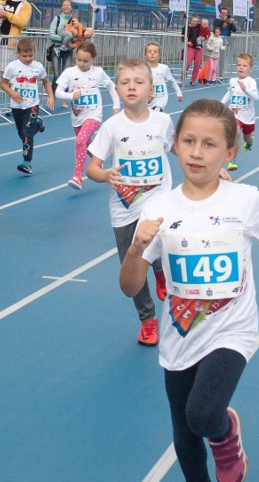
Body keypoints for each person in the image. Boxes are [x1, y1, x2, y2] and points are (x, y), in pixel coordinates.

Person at [118, 98, 259, 482]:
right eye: (188, 141)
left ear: (229, 153)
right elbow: (129, 287)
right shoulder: (157, 209)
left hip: (232, 330)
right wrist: (134, 248)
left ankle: (224, 432)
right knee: (182, 428)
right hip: (179, 334)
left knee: (203, 415)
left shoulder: (246, 200)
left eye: (209, 144)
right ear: (175, 146)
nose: (197, 152)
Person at [86, 59, 174, 346]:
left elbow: (181, 149)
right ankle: (148, 319)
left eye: (139, 82)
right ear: (117, 89)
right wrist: (105, 175)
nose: (132, 87)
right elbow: (93, 168)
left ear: (151, 90)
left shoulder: (163, 121)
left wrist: (213, 168)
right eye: (125, 82)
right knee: (132, 267)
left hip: (158, 202)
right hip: (123, 208)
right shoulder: (112, 127)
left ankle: (159, 270)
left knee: (158, 248)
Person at [55, 41, 119, 190]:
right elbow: (58, 92)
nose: (82, 64)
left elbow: (111, 87)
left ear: (93, 59)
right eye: (79, 60)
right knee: (86, 144)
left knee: (79, 141)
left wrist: (116, 106)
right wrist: (71, 95)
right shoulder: (69, 73)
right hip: (77, 116)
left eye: (86, 61)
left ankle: (77, 176)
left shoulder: (98, 72)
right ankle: (98, 161)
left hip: (94, 114)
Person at [0, 37, 56, 174]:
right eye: (24, 56)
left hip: (32, 105)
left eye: (30, 55)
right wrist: (12, 93)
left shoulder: (38, 67)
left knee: (26, 133)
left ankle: (27, 162)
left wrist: (51, 96)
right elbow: (3, 83)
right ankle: (38, 124)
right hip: (17, 106)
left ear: (34, 53)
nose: (27, 58)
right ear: (18, 53)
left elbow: (46, 82)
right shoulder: (12, 67)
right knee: (22, 133)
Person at [0, 0, 30, 112]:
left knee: (7, 74)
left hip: (8, 43)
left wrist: (6, 14)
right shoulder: (2, 1)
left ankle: (10, 104)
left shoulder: (26, 5)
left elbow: (22, 22)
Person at [220, 53, 259, 170]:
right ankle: (232, 161)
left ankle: (250, 141)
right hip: (235, 115)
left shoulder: (251, 82)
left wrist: (245, 89)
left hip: (248, 117)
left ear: (250, 69)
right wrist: (221, 104)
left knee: (247, 138)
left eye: (244, 65)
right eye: (239, 65)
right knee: (234, 134)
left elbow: (256, 98)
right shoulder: (233, 81)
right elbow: (229, 92)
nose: (241, 67)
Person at [48, 1, 94, 95]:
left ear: (71, 7)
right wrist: (63, 39)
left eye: (68, 5)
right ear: (61, 7)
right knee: (57, 74)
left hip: (68, 50)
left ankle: (64, 97)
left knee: (66, 74)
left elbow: (80, 35)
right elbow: (51, 35)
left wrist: (83, 35)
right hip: (56, 48)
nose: (66, 7)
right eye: (64, 5)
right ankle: (53, 96)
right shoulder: (57, 19)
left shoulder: (75, 20)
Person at [146, 42, 183, 112]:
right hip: (146, 100)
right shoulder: (142, 68)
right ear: (146, 55)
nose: (152, 53)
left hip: (160, 100)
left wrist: (179, 93)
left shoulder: (164, 68)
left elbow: (172, 81)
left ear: (159, 55)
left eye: (155, 52)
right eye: (149, 52)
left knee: (155, 115)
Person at [183, 16, 204, 86]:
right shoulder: (186, 28)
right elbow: (183, 38)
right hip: (191, 47)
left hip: (199, 47)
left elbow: (206, 32)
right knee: (187, 63)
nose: (195, 22)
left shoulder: (199, 27)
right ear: (190, 21)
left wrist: (206, 37)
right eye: (193, 21)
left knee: (197, 64)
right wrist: (187, 42)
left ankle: (193, 80)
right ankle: (182, 77)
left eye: (196, 21)